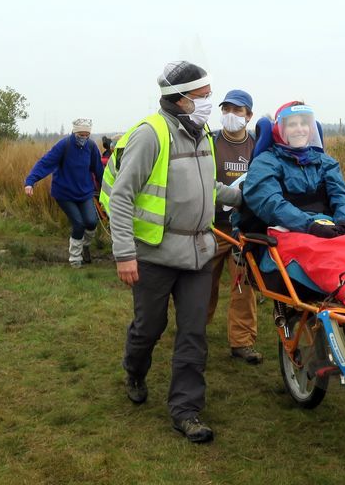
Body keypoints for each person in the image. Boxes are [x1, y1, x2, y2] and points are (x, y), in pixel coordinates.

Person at [102, 61, 242, 443]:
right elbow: (122, 197)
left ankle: (186, 410)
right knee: (150, 328)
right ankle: (134, 368)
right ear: (180, 99)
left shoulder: (202, 133)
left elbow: (207, 185)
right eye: (203, 96)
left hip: (198, 252)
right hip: (154, 256)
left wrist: (242, 197)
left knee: (193, 333)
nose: (210, 102)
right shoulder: (151, 135)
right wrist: (124, 254)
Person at [242, 101, 345, 238]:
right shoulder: (265, 162)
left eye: (304, 124)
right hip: (286, 232)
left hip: (329, 230)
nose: (300, 129)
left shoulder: (326, 162)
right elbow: (269, 202)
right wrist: (310, 226)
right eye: (292, 124)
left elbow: (341, 195)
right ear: (280, 129)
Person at [206, 90, 262, 364]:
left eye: (237, 110)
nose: (231, 115)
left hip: (243, 229)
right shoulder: (210, 143)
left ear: (248, 116)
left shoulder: (257, 146)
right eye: (226, 109)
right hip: (213, 226)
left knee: (243, 285)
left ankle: (241, 343)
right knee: (204, 282)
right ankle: (194, 330)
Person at [24, 118, 103, 267]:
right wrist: (30, 181)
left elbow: (98, 170)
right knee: (79, 224)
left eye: (87, 134)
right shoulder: (64, 145)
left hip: (85, 192)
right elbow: (45, 163)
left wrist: (107, 190)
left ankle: (84, 245)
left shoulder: (91, 147)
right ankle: (75, 259)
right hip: (64, 193)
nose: (84, 138)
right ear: (74, 132)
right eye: (81, 134)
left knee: (92, 222)